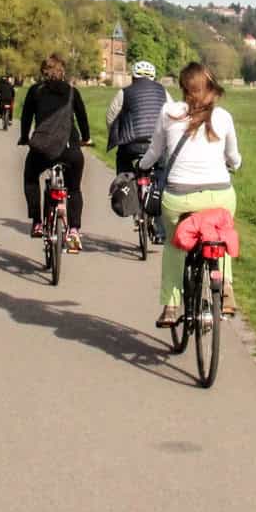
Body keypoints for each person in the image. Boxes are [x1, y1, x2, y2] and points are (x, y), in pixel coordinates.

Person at [139, 61, 239, 326]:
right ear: (210, 87)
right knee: (222, 233)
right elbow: (233, 157)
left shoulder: (169, 112)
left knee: (174, 245)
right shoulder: (223, 117)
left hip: (179, 198)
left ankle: (170, 307)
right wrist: (235, 164)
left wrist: (142, 166)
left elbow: (155, 151)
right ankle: (226, 286)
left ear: (183, 87)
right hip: (219, 195)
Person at [18, 54, 92, 252]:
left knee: (31, 178)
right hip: (70, 149)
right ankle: (74, 231)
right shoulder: (71, 92)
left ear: (43, 72)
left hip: (42, 149)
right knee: (74, 189)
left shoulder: (35, 91)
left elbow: (26, 118)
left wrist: (24, 137)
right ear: (63, 72)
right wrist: (86, 138)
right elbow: (82, 118)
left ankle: (37, 222)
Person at [106, 60, 171, 178]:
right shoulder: (164, 91)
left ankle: (122, 189)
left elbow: (111, 116)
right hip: (157, 144)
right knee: (162, 171)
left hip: (131, 145)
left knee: (123, 162)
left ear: (133, 77)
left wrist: (114, 133)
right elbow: (172, 115)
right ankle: (160, 190)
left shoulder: (124, 92)